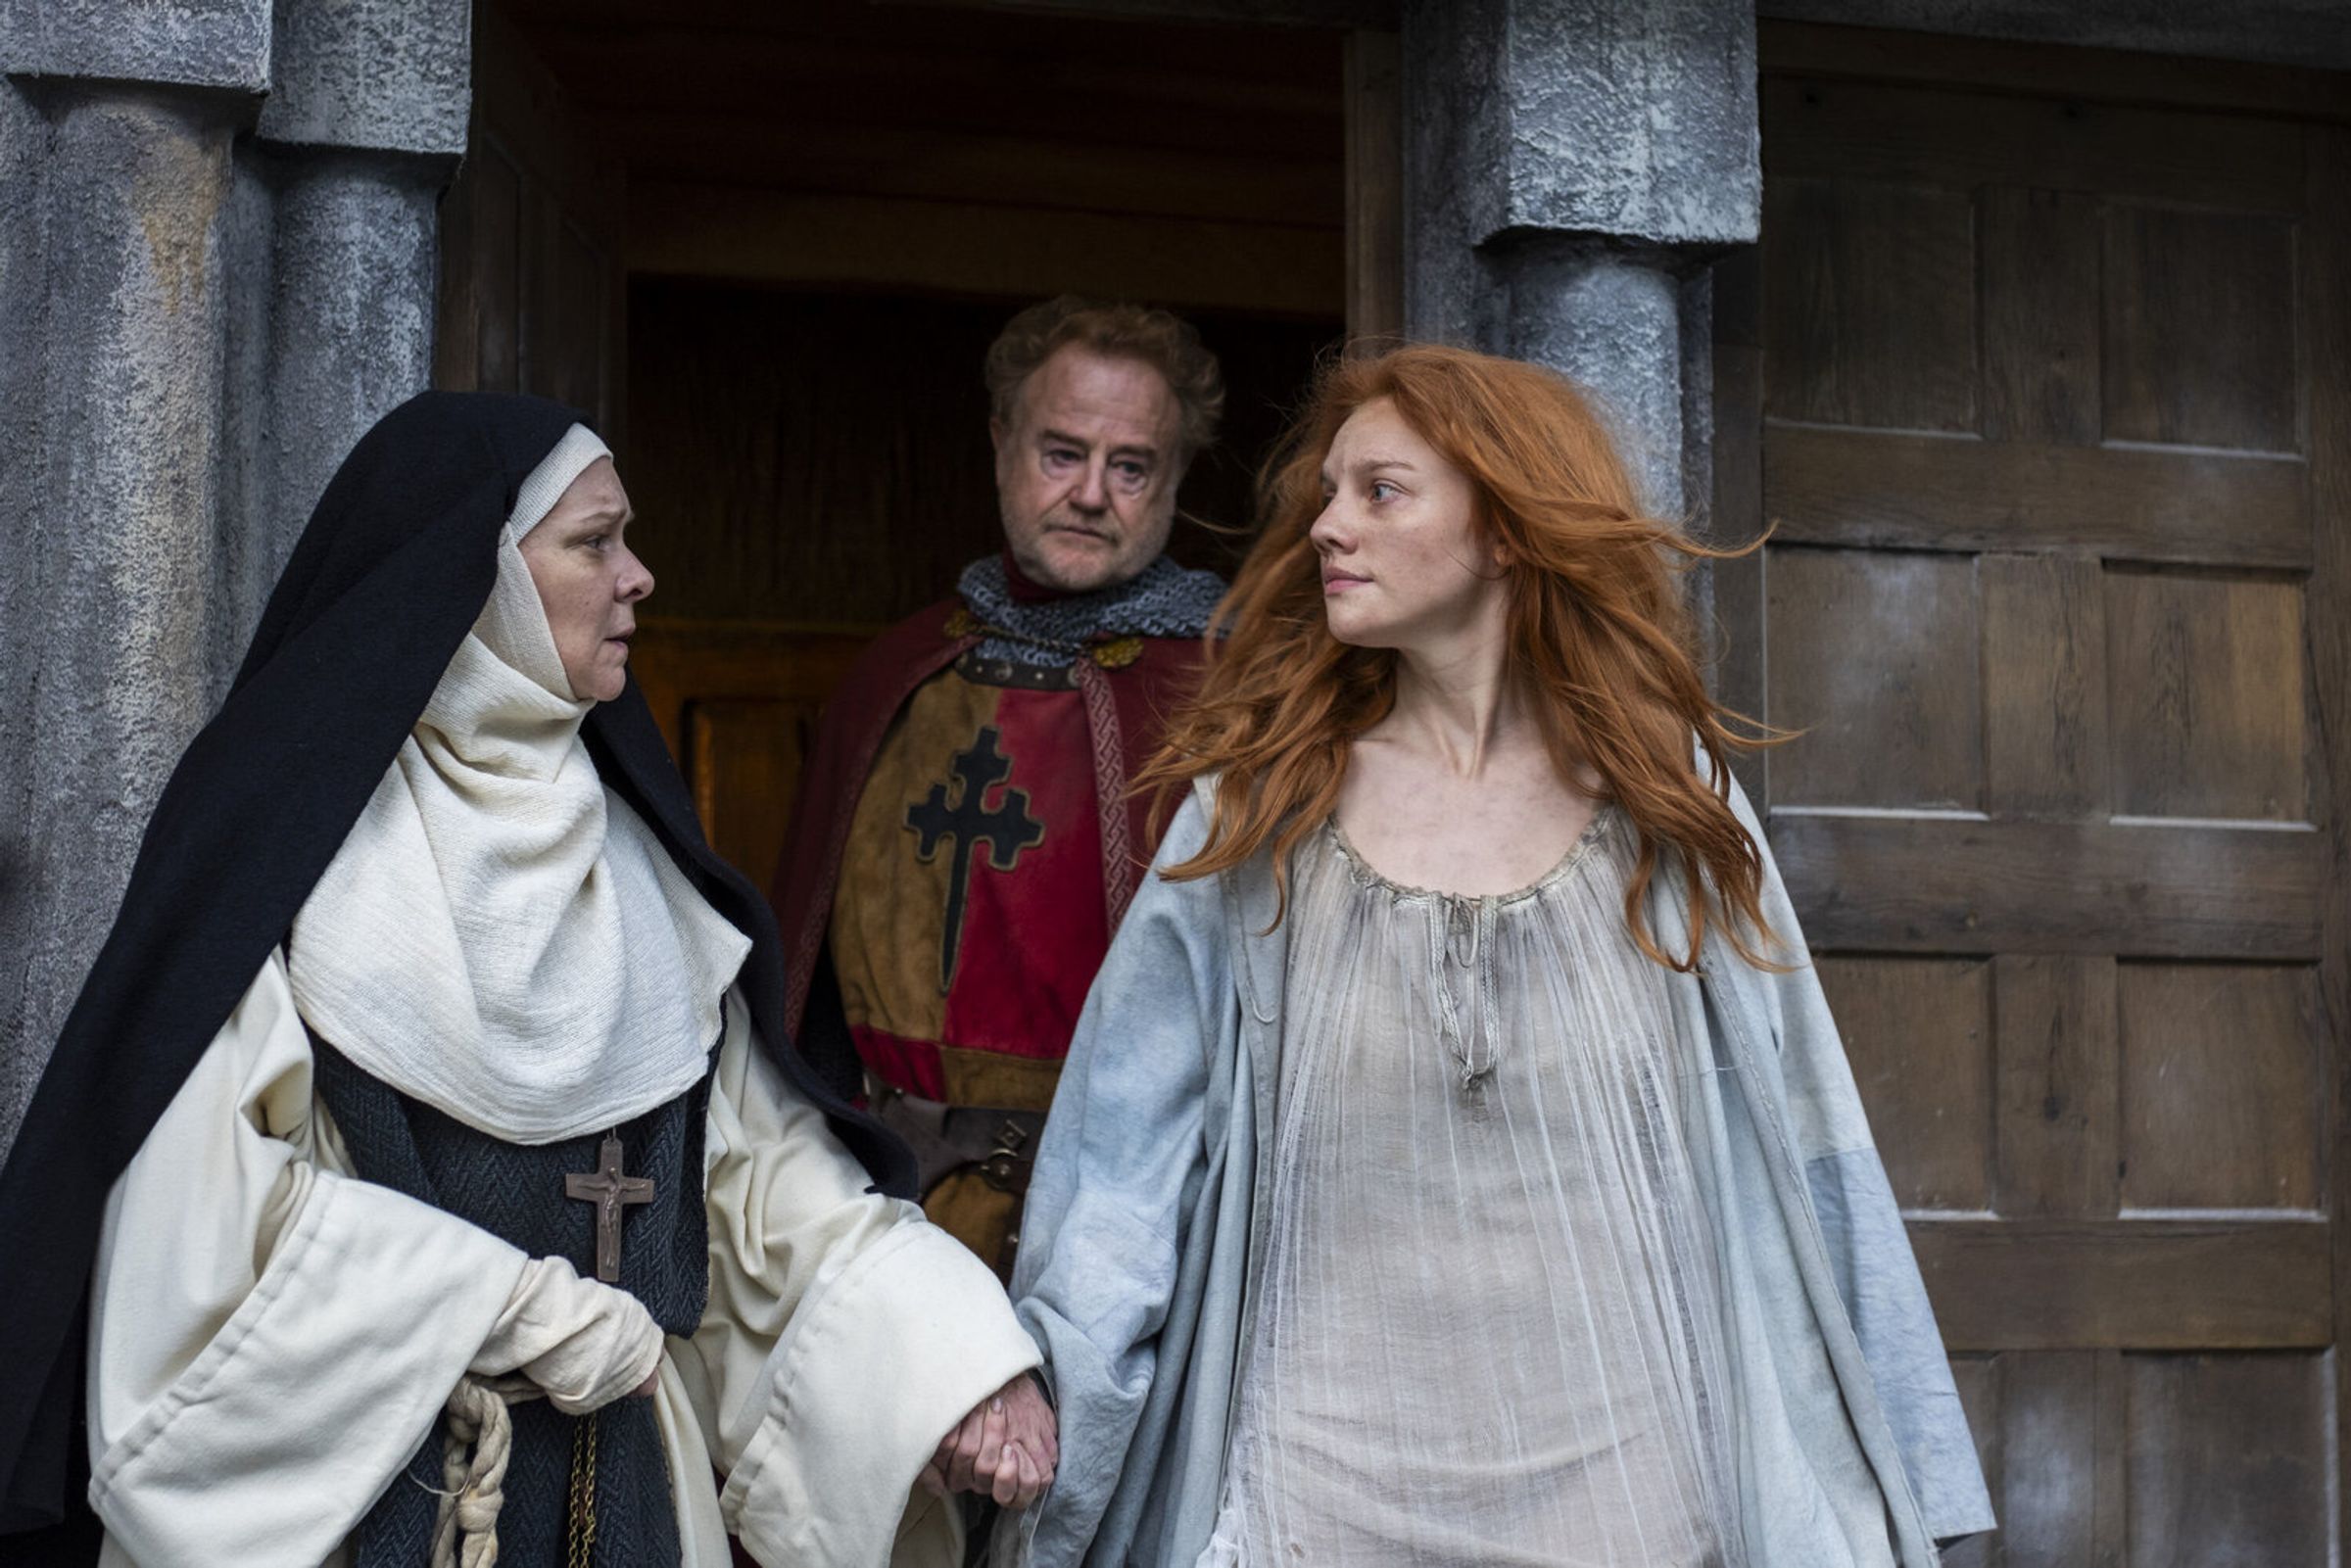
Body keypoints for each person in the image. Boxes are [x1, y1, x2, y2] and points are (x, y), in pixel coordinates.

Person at [0, 394, 1057, 1566]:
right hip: (372, 1497)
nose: (638, 575)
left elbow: (764, 1191)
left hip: (633, 1496)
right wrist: (510, 1304)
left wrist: (956, 1360)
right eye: (594, 540)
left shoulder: (646, 872)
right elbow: (203, 1238)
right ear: (481, 577)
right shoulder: (289, 868)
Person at [999, 346, 1996, 1567]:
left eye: (1381, 491)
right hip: (1320, 1493)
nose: (1328, 526)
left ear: (1507, 531)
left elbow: (1806, 1128)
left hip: (1630, 1494)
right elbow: (1124, 1157)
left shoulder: (1665, 802)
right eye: (1329, 493)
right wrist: (1048, 1397)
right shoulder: (1261, 808)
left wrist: (1909, 1463)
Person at [772, 296, 1227, 1280]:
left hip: (1132, 1228)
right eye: (1062, 453)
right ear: (1000, 443)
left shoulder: (1229, 699)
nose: (1092, 494)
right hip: (878, 1210)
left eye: (1131, 466)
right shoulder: (896, 674)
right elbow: (807, 997)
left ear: (1175, 478)